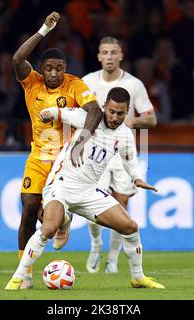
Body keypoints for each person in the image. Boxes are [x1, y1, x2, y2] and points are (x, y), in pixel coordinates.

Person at [5, 87, 165, 290]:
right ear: (105, 107)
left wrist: (137, 178)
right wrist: (48, 113)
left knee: (130, 227)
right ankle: (18, 277)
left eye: (120, 113)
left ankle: (138, 277)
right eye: (112, 111)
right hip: (61, 185)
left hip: (89, 191)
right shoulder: (87, 118)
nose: (115, 117)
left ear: (127, 111)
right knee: (48, 228)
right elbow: (60, 112)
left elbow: (129, 159)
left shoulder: (125, 135)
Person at [13, 12, 103, 289]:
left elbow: (94, 111)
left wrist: (82, 140)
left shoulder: (75, 84)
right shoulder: (32, 83)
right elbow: (17, 59)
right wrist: (43, 30)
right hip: (38, 157)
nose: (54, 73)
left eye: (59, 68)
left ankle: (61, 219)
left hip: (64, 161)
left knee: (46, 214)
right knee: (29, 208)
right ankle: (24, 270)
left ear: (65, 67)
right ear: (41, 68)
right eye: (49, 68)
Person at [81, 36, 157, 274]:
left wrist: (130, 121)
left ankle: (112, 258)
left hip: (123, 152)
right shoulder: (87, 82)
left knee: (120, 205)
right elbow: (76, 113)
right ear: (98, 56)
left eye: (114, 52)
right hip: (95, 153)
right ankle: (96, 244)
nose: (110, 57)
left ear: (121, 55)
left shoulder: (134, 84)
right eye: (105, 52)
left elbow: (152, 119)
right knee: (94, 206)